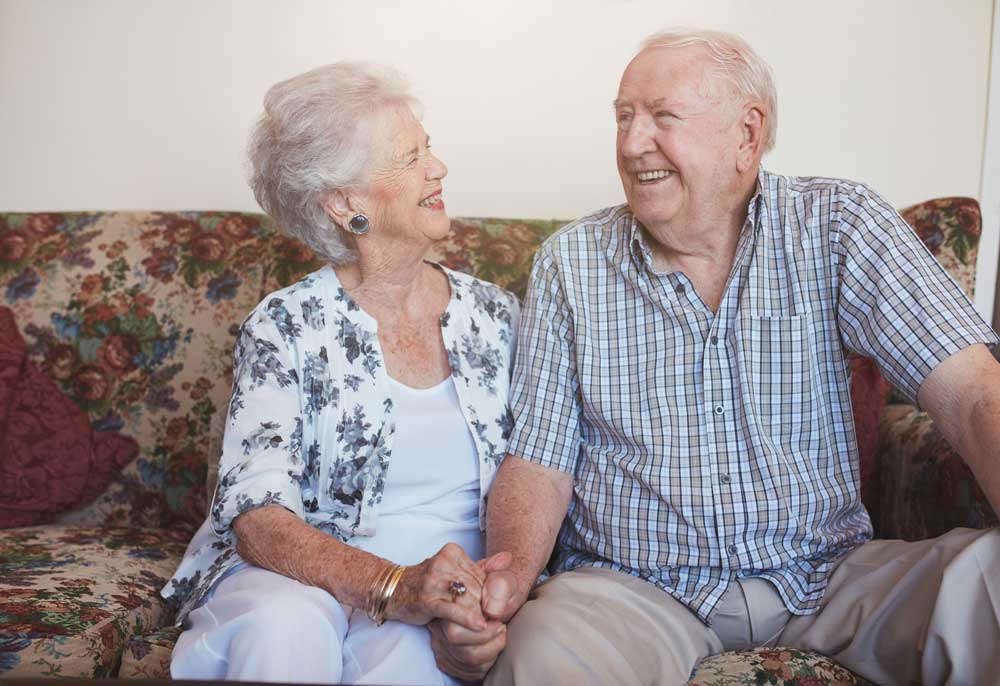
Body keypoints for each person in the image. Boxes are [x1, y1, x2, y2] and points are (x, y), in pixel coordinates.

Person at [429, 28, 1000, 685]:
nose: (631, 141)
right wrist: (504, 587)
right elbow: (541, 460)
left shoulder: (837, 224)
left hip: (829, 576)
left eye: (661, 117)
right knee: (541, 655)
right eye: (623, 117)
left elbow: (973, 392)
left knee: (987, 584)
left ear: (747, 134)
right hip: (633, 591)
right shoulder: (573, 261)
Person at [161, 62, 518, 686]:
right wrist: (390, 586)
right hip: (301, 578)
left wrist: (484, 599)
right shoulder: (285, 326)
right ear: (345, 202)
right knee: (282, 626)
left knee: (416, 660)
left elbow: (544, 472)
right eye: (411, 157)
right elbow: (257, 515)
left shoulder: (497, 316)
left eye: (428, 147)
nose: (438, 168)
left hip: (449, 589)